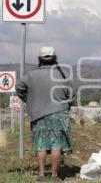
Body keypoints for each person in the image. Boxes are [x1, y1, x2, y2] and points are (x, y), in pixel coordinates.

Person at [16, 47, 75, 182]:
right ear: (54, 58)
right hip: (59, 114)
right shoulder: (63, 75)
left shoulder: (31, 75)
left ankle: (41, 174)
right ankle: (54, 176)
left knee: (41, 144)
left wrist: (29, 100)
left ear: (40, 59)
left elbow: (19, 87)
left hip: (38, 114)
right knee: (56, 145)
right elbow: (71, 96)